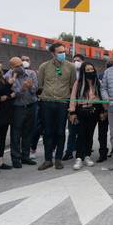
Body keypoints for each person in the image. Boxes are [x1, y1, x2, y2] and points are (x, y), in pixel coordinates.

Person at [37, 43, 76, 171]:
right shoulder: (44, 66)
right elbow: (40, 85)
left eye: (63, 51)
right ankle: (48, 160)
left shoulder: (71, 67)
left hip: (62, 103)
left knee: (60, 131)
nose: (62, 54)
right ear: (53, 53)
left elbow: (72, 86)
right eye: (59, 52)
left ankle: (58, 159)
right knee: (47, 132)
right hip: (47, 102)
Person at [69, 62, 105, 170]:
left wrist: (104, 110)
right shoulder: (78, 83)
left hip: (94, 111)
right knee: (81, 134)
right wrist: (72, 112)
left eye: (91, 69)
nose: (90, 72)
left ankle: (87, 156)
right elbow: (73, 97)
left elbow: (102, 97)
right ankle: (79, 157)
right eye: (87, 70)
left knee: (90, 134)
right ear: (83, 71)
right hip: (81, 111)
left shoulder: (98, 82)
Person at [5, 57, 38, 168]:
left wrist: (31, 86)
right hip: (17, 108)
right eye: (16, 66)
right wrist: (23, 89)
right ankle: (16, 158)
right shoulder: (8, 77)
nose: (20, 68)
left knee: (28, 132)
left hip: (31, 105)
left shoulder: (31, 73)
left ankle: (25, 156)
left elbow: (35, 90)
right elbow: (13, 94)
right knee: (16, 133)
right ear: (11, 67)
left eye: (21, 65)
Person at [0, 59, 15, 175]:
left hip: (4, 113)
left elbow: (5, 92)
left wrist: (9, 94)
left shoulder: (0, 78)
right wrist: (8, 85)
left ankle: (0, 161)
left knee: (2, 138)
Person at [63, 53, 86, 161]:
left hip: (84, 106)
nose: (75, 63)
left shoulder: (86, 74)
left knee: (84, 130)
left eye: (78, 60)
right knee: (72, 130)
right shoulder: (69, 74)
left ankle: (84, 150)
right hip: (73, 106)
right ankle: (69, 151)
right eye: (74, 61)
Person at [96, 60, 113, 162]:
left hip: (105, 109)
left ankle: (103, 153)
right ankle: (111, 151)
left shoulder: (100, 76)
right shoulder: (102, 76)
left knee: (103, 133)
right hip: (108, 108)